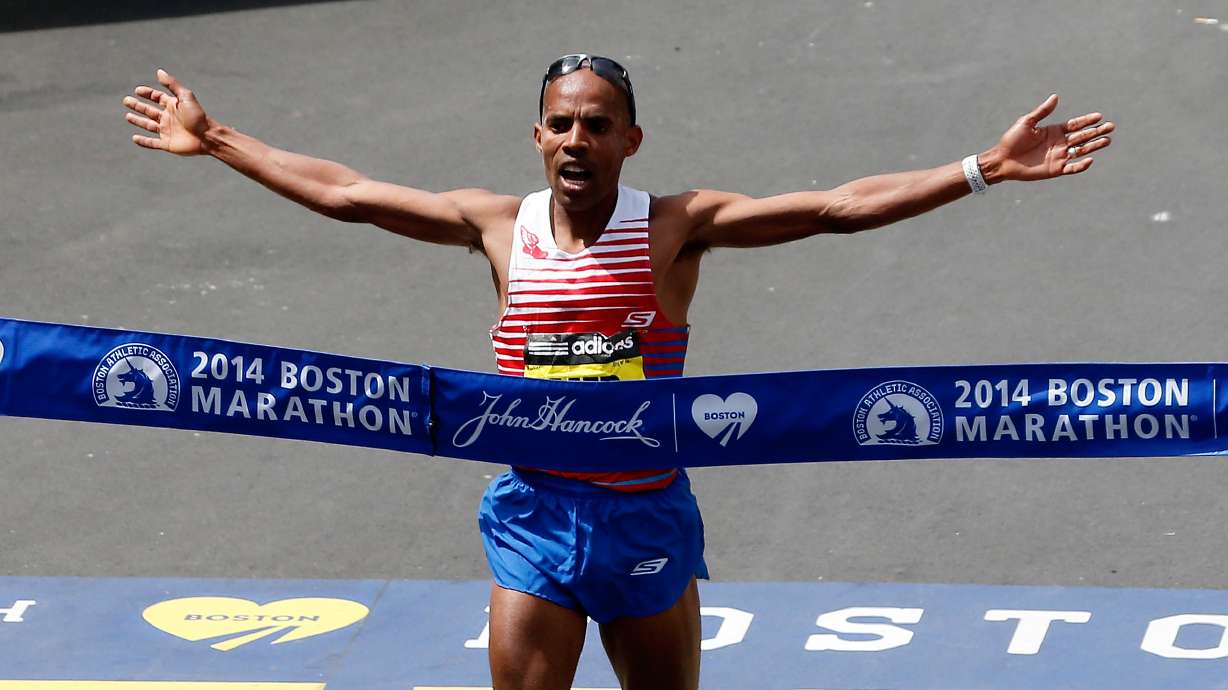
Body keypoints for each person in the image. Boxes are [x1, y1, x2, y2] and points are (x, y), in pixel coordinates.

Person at [123, 54, 1113, 690]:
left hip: (645, 515)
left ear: (628, 141)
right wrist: (215, 140)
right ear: (539, 136)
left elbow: (837, 206)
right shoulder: (496, 226)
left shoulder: (675, 227)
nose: (576, 140)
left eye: (597, 124)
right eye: (560, 123)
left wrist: (982, 166)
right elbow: (346, 193)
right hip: (537, 518)